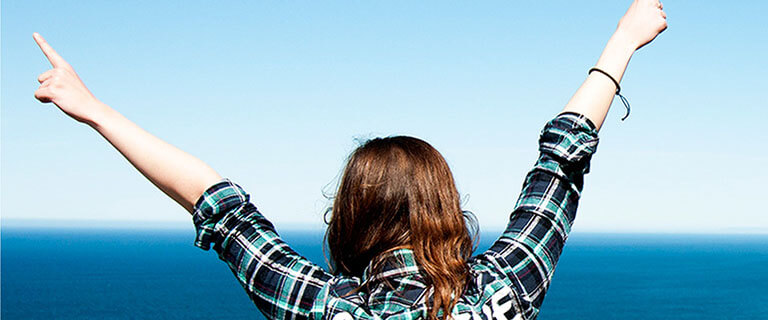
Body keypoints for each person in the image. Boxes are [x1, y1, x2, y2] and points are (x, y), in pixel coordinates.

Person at [32, 1, 666, 319]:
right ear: (447, 209)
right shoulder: (502, 292)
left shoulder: (327, 308)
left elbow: (215, 201)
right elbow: (559, 163)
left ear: (349, 218)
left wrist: (93, 110)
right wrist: (622, 41)